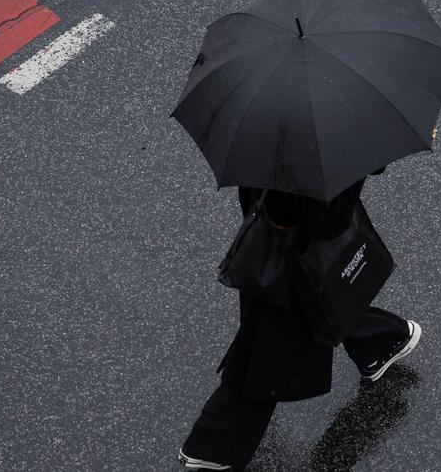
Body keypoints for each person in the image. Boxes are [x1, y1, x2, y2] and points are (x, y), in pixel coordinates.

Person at [178, 166, 422, 470]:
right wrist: (355, 175)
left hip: (263, 249)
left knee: (287, 325)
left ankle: (381, 342)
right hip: (291, 267)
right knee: (267, 359)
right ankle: (212, 448)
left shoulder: (270, 144)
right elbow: (327, 223)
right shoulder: (320, 162)